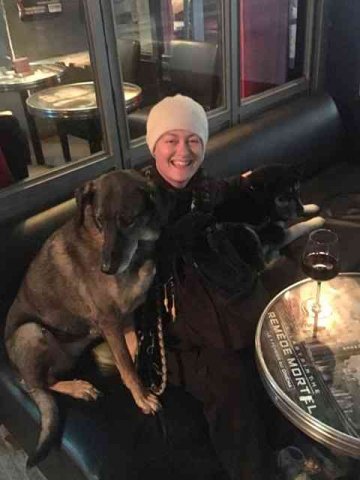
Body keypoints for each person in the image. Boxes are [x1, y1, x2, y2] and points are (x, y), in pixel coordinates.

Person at [135, 94, 279, 480]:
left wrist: (253, 187)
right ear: (153, 145)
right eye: (171, 139)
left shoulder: (205, 189)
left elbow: (232, 202)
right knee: (231, 380)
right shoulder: (135, 200)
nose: (183, 151)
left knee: (276, 348)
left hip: (219, 310)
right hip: (169, 332)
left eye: (194, 140)